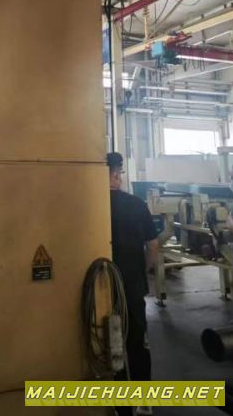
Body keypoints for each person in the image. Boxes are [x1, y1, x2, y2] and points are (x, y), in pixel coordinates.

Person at [107, 152, 159, 415]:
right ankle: (144, 403)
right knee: (137, 344)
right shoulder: (137, 205)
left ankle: (119, 407)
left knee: (109, 344)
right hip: (133, 286)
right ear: (117, 174)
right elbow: (153, 246)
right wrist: (142, 271)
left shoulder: (90, 206)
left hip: (103, 290)